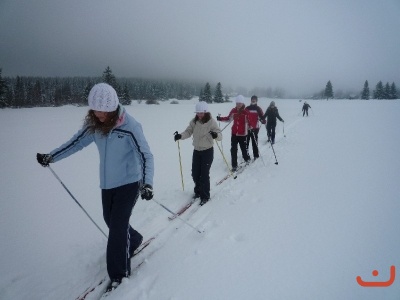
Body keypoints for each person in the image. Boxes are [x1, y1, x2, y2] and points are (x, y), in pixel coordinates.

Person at [36, 83, 154, 292]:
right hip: (107, 184)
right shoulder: (95, 125)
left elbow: (145, 155)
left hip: (129, 183)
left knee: (117, 226)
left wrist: (147, 183)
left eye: (101, 110)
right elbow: (76, 143)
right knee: (110, 220)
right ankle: (134, 239)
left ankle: (119, 274)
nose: (97, 113)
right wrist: (51, 156)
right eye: (94, 109)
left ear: (111, 107)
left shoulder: (130, 127)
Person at [174, 101, 222, 206]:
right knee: (195, 174)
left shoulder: (211, 122)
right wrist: (180, 136)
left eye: (201, 113)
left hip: (207, 151)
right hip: (197, 151)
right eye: (198, 113)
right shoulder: (194, 121)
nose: (199, 115)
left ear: (206, 112)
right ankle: (198, 191)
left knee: (204, 174)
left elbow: (219, 135)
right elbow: (188, 132)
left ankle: (205, 196)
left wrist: (215, 135)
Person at [217, 95, 251, 171]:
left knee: (243, 148)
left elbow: (249, 121)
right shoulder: (233, 110)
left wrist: (250, 126)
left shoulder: (246, 112)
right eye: (237, 103)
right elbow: (228, 119)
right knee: (233, 149)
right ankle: (234, 165)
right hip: (234, 133)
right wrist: (220, 118)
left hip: (243, 134)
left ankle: (247, 159)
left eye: (240, 103)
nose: (238, 105)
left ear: (242, 103)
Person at [246, 95, 265, 160]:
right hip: (247, 128)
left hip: (255, 128)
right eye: (252, 99)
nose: (253, 100)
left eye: (254, 99)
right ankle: (246, 155)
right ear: (251, 100)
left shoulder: (258, 108)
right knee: (246, 143)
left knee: (254, 142)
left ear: (256, 101)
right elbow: (243, 116)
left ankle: (256, 155)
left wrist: (263, 120)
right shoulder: (247, 108)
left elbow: (262, 116)